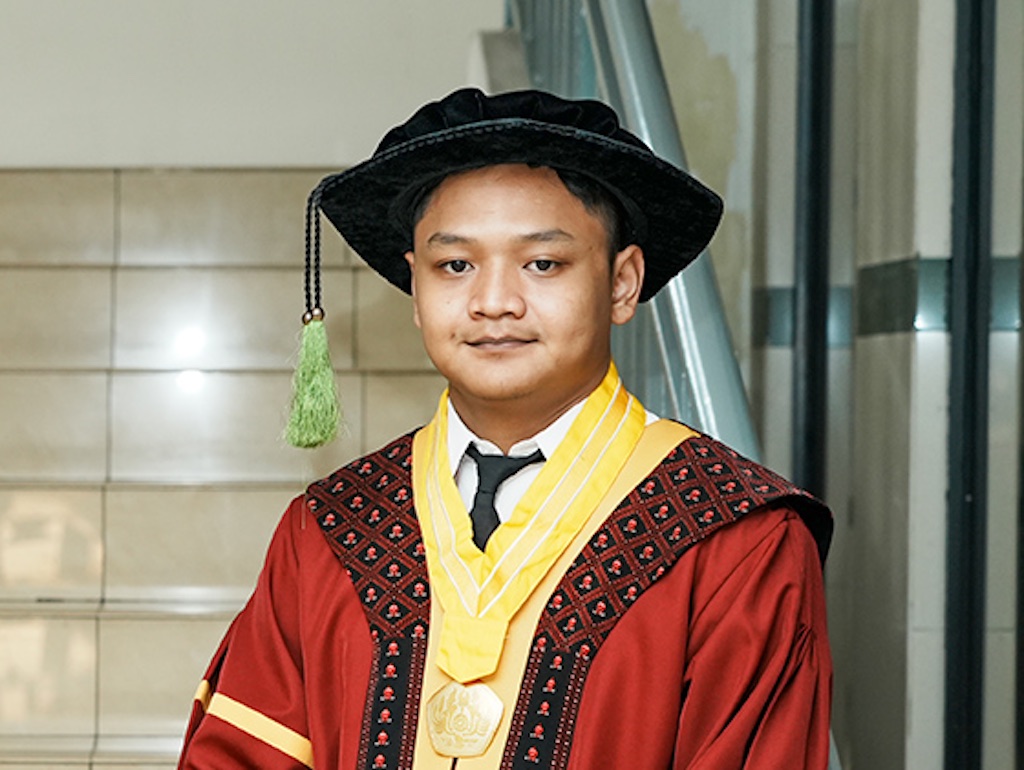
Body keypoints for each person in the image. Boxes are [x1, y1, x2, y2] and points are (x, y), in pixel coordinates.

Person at [177, 88, 833, 770]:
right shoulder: (332, 529)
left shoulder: (735, 540)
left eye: (542, 264)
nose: (493, 302)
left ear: (622, 282)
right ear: (415, 286)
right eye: (455, 266)